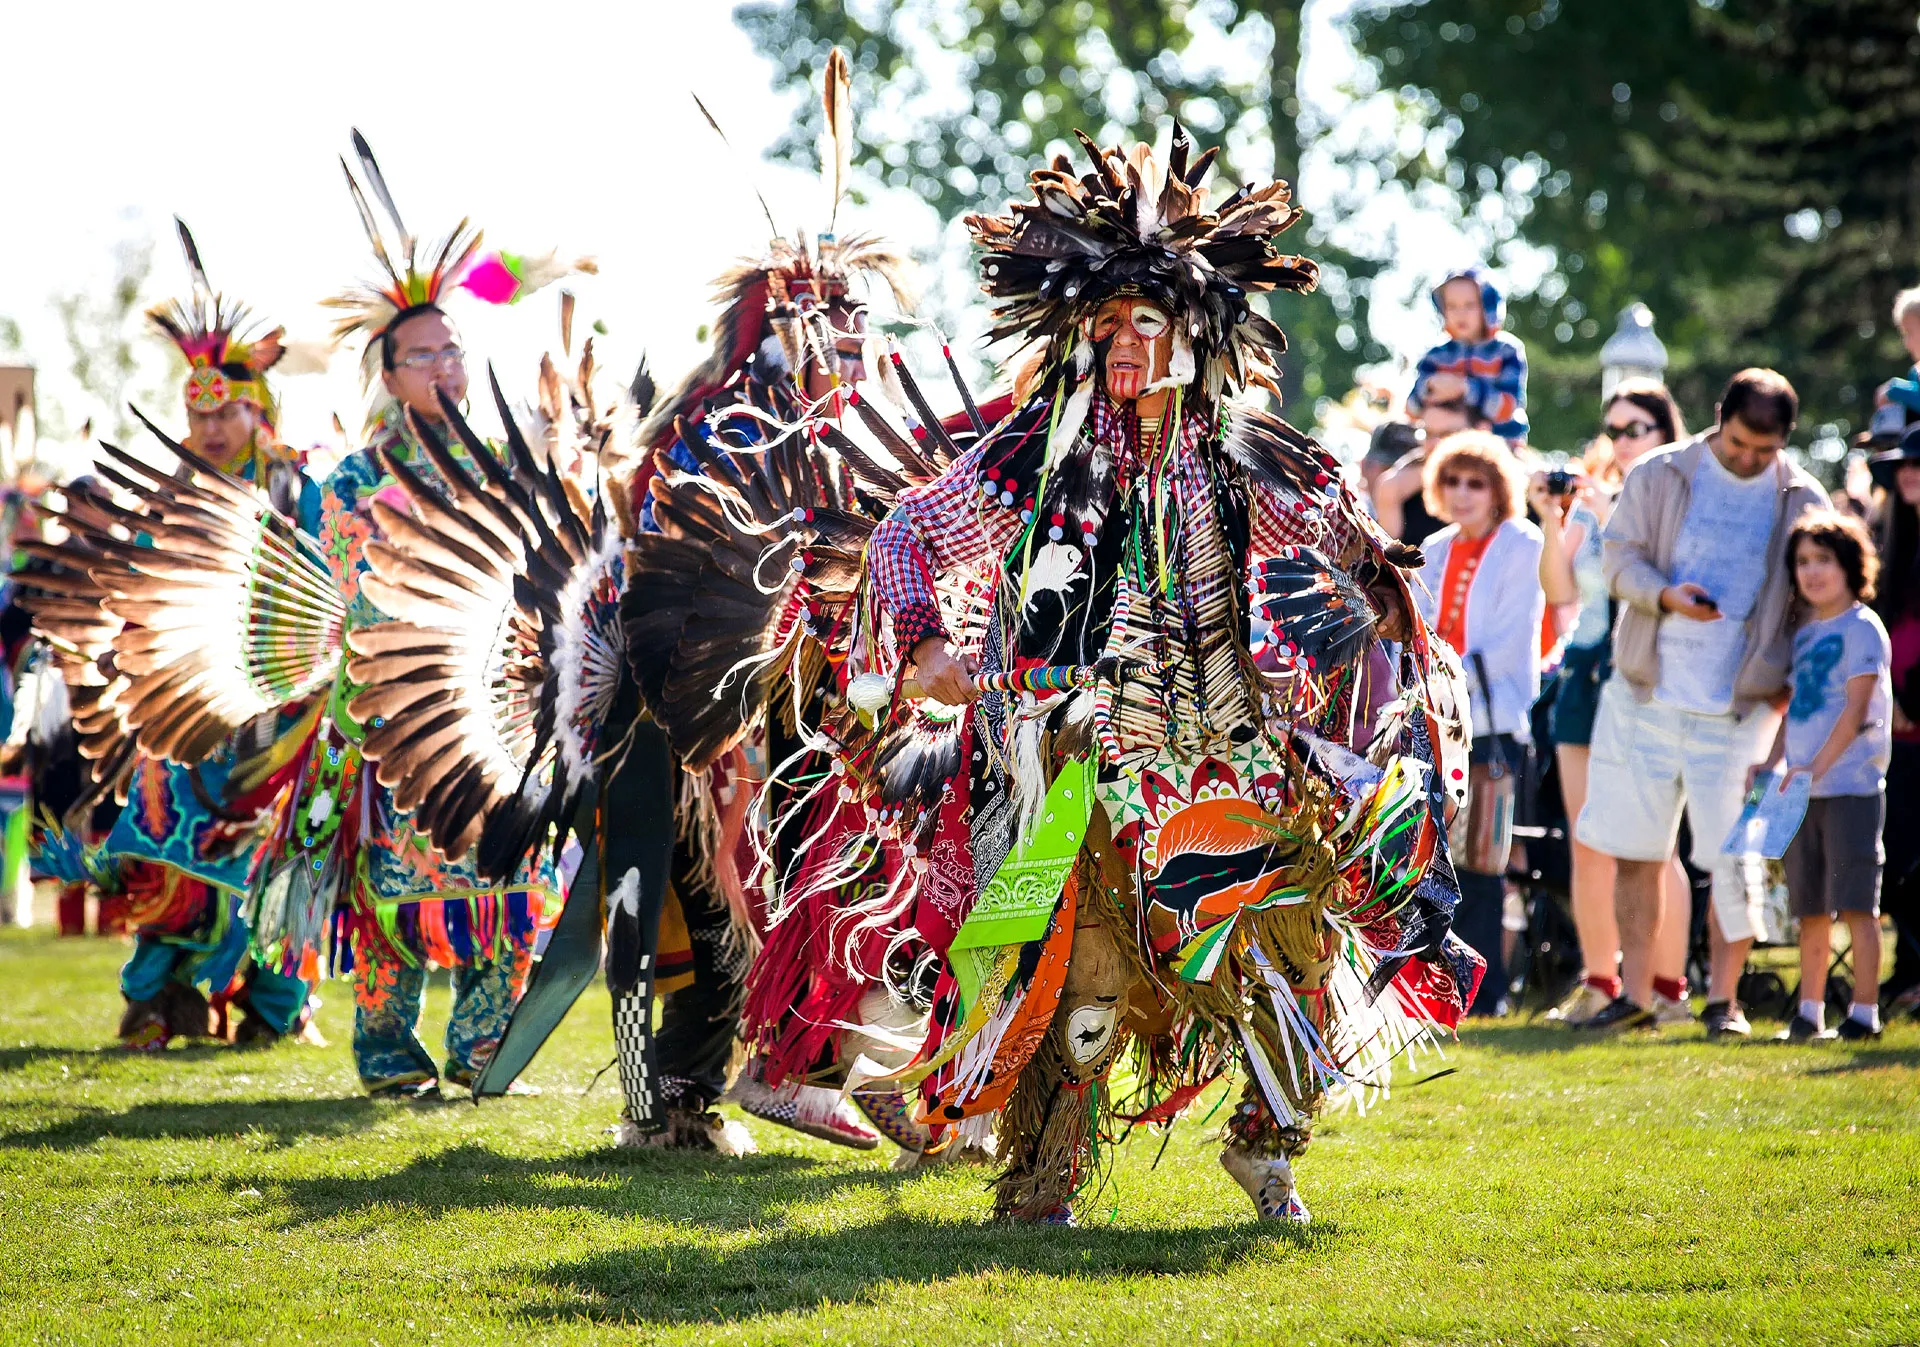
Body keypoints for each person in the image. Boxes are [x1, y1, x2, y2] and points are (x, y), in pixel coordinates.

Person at [316, 134, 572, 1096]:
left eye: (454, 348)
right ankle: (388, 1052)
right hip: (398, 710)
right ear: (389, 376)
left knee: (511, 886)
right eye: (422, 355)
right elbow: (363, 593)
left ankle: (479, 1047)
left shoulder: (506, 462)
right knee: (395, 899)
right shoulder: (353, 482)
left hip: (502, 710)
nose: (445, 366)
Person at [94, 222, 322, 1050]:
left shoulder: (305, 490)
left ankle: (272, 1007)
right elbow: (139, 589)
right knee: (176, 853)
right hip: (189, 705)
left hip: (285, 709)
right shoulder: (173, 493)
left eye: (224, 409)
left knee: (280, 855)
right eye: (197, 412)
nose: (211, 426)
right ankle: (158, 1002)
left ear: (258, 410)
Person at [1579, 369, 1829, 1036]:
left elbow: (1815, 600)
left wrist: (1785, 692)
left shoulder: (1803, 495)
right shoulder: (1660, 472)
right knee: (1635, 850)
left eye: (1764, 449)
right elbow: (1618, 558)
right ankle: (1635, 995)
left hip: (1744, 704)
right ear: (1720, 416)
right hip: (1646, 689)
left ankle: (1725, 1002)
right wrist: (1664, 595)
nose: (1750, 458)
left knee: (1736, 857)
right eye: (1742, 442)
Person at [1531, 380, 1696, 1026]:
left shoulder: (1678, 494)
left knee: (1656, 845)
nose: (1622, 441)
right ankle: (1601, 982)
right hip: (1584, 670)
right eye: (1615, 429)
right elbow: (1558, 588)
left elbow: (1663, 582)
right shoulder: (1593, 498)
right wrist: (1554, 518)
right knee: (1588, 840)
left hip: (1648, 673)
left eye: (1637, 429)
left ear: (1664, 432)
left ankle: (1666, 987)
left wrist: (1614, 513)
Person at [1413, 431, 1545, 1015]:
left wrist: (1440, 671)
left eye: (1476, 482)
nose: (1463, 493)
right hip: (1430, 723)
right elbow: (1414, 628)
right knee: (1426, 857)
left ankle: (1485, 994)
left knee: (1484, 863)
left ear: (1498, 489)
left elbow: (1508, 635)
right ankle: (1427, 989)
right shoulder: (1435, 546)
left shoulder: (1521, 541)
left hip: (1491, 722)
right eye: (1452, 481)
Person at [1750, 511, 1890, 1041]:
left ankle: (1863, 1014)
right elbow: (1796, 711)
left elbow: (1856, 709)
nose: (1812, 572)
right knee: (1811, 906)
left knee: (1857, 903)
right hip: (1800, 791)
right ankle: (1809, 1012)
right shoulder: (1806, 634)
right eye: (1803, 562)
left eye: (1824, 561)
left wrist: (1817, 768)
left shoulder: (1862, 627)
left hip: (1851, 788)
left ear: (1851, 566)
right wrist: (1773, 765)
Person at [1868, 428, 1920, 1012]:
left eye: (1918, 465)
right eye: (1903, 465)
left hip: (1916, 714)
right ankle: (1908, 970)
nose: (1908, 473)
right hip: (1896, 728)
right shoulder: (1895, 540)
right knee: (1898, 855)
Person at [1407, 267, 1528, 446]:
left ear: (1488, 306)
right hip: (1443, 444)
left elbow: (1508, 408)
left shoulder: (1507, 351)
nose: (1460, 314)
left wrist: (1465, 388)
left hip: (1501, 444)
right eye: (1452, 306)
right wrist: (1428, 387)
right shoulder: (1435, 355)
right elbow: (1411, 409)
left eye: (1470, 305)